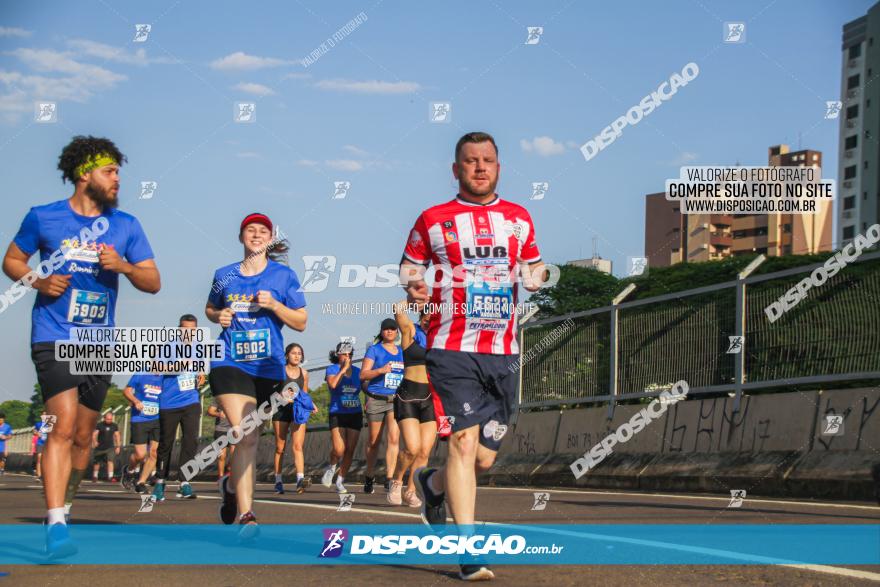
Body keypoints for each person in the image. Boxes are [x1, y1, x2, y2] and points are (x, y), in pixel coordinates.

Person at [2, 135, 160, 558]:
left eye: (118, 173)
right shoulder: (44, 217)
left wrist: (123, 266)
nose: (117, 180)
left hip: (98, 341)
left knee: (85, 437)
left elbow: (153, 281)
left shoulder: (126, 225)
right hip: (53, 334)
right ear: (84, 173)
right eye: (110, 171)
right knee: (64, 423)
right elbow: (12, 260)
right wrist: (36, 279)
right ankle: (55, 525)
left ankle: (64, 508)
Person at [399, 132, 547, 581]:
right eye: (470, 161)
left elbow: (533, 265)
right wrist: (414, 284)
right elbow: (410, 264)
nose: (479, 167)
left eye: (487, 161)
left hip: (503, 353)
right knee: (462, 444)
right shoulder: (433, 218)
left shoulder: (518, 218)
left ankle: (432, 483)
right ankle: (468, 554)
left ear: (498, 167)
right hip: (450, 349)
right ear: (456, 169)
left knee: (484, 459)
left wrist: (537, 275)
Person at [206, 212, 306, 540]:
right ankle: (247, 515)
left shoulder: (284, 276)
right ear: (241, 237)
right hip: (229, 362)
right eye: (251, 229)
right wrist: (218, 314)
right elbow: (210, 308)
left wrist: (276, 305)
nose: (257, 234)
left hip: (267, 366)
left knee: (250, 436)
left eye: (263, 230)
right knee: (245, 433)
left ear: (270, 239)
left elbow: (301, 322)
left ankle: (231, 486)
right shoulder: (224, 274)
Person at [387, 301, 436, 507]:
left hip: (430, 398)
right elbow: (397, 309)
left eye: (434, 317)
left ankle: (411, 490)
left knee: (424, 451)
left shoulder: (439, 339)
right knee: (412, 448)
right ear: (421, 315)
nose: (429, 319)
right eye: (427, 315)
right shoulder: (410, 332)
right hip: (408, 396)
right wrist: (416, 299)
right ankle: (396, 481)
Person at [152, 314, 205, 502]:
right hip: (169, 402)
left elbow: (199, 370)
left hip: (191, 400)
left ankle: (184, 482)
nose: (188, 333)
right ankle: (160, 481)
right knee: (166, 443)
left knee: (191, 441)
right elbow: (156, 367)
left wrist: (201, 375)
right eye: (184, 328)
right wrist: (180, 364)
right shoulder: (169, 346)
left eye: (192, 329)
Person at [359, 319, 403, 494]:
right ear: (382, 331)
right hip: (376, 399)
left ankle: (390, 478)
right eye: (386, 329)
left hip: (395, 399)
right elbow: (363, 374)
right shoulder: (374, 349)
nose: (390, 331)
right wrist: (380, 370)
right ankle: (369, 475)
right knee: (374, 441)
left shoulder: (401, 352)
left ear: (397, 332)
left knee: (393, 439)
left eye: (393, 329)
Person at [320, 342, 362, 494]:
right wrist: (343, 369)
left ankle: (340, 481)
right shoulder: (332, 369)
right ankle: (331, 467)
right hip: (337, 412)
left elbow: (366, 387)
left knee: (350, 449)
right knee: (339, 449)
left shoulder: (358, 371)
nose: (347, 356)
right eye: (344, 353)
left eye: (350, 354)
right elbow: (332, 384)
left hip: (355, 413)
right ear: (337, 354)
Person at [272, 343, 310, 494]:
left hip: (297, 411)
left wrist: (310, 405)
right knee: (280, 448)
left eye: (299, 353)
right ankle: (278, 481)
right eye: (293, 353)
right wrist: (282, 397)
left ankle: (300, 480)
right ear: (287, 355)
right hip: (281, 412)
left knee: (298, 446)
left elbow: (304, 395)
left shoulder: (304, 373)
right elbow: (271, 393)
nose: (297, 356)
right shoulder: (279, 372)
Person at [121, 372, 162, 492]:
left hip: (157, 420)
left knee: (154, 453)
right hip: (140, 419)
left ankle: (141, 482)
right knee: (140, 455)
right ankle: (129, 470)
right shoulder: (140, 374)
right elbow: (127, 391)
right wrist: (135, 401)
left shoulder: (164, 377)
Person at [207, 399, 234, 479]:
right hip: (221, 430)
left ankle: (229, 470)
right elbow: (210, 411)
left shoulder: (238, 397)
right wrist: (218, 413)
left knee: (234, 454)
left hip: (234, 429)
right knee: (222, 456)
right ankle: (221, 477)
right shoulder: (219, 398)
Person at [91, 412, 120, 482]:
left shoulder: (114, 425)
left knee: (110, 460)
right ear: (104, 418)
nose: (109, 421)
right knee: (97, 462)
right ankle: (95, 476)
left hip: (110, 447)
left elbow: (117, 435)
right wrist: (94, 441)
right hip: (100, 447)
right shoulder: (99, 425)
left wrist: (118, 446)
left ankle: (110, 476)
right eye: (107, 419)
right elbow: (95, 434)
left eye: (110, 419)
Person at [32, 411, 49, 480]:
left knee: (47, 459)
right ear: (41, 416)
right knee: (39, 458)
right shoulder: (38, 424)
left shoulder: (50, 424)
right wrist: (36, 433)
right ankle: (39, 475)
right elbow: (34, 431)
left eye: (46, 415)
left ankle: (46, 474)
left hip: (48, 444)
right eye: (43, 415)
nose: (44, 416)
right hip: (39, 443)